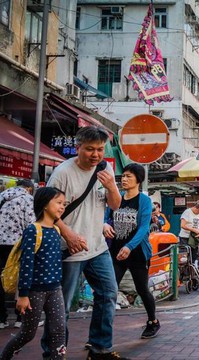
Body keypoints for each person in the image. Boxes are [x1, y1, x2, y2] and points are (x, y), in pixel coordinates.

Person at [43, 126, 124, 360]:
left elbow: (116, 205)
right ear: (78, 148)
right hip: (68, 249)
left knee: (108, 294)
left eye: (99, 149)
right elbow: (48, 209)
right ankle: (54, 353)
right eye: (90, 149)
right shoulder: (63, 173)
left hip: (97, 248)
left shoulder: (105, 168)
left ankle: (100, 349)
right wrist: (68, 234)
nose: (96, 154)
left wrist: (110, 186)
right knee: (61, 307)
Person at [0, 187, 66, 359]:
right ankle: (5, 355)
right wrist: (23, 295)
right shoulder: (32, 230)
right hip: (35, 291)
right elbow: (27, 264)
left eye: (63, 204)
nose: (62, 207)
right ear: (44, 204)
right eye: (58, 203)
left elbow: (54, 258)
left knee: (59, 329)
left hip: (55, 289)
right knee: (28, 333)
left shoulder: (56, 230)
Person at [102, 163, 160, 340]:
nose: (124, 179)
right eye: (123, 176)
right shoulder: (116, 197)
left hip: (137, 253)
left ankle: (153, 321)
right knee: (110, 291)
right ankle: (102, 334)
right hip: (116, 253)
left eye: (128, 176)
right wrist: (104, 224)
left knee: (142, 289)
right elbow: (106, 216)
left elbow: (144, 228)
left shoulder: (144, 201)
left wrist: (129, 246)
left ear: (138, 180)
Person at [0, 179, 35, 329]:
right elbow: (31, 224)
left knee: (1, 278)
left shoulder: (2, 196)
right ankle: (21, 317)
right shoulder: (28, 199)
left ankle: (1, 318)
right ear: (28, 188)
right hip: (17, 244)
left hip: (0, 243)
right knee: (22, 277)